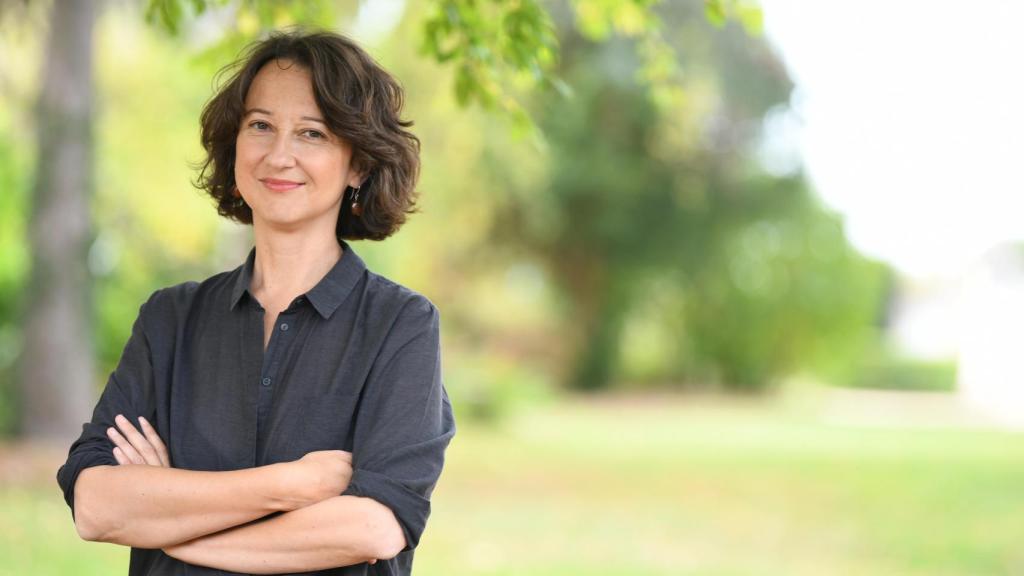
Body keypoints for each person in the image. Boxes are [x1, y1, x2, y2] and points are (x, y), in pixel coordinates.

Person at [55, 29, 455, 575]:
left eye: (312, 133)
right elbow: (97, 507)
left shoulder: (400, 325)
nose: (279, 154)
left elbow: (373, 526)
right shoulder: (169, 320)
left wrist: (174, 525)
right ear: (235, 145)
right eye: (260, 126)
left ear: (358, 165)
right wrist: (292, 485)